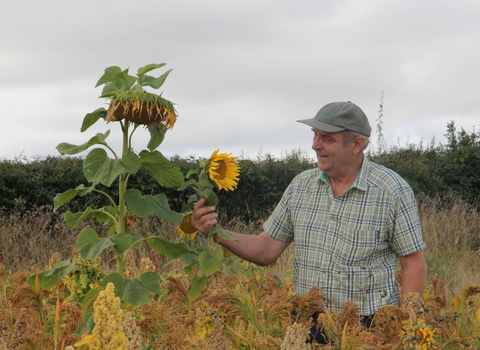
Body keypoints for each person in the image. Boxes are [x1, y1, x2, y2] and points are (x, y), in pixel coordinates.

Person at [192, 101, 427, 343]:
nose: (315, 145)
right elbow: (266, 250)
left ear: (357, 144)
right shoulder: (301, 186)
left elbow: (413, 263)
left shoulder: (391, 190)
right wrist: (216, 232)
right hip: (307, 325)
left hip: (369, 327)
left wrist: (404, 331)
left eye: (327, 138)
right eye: (315, 135)